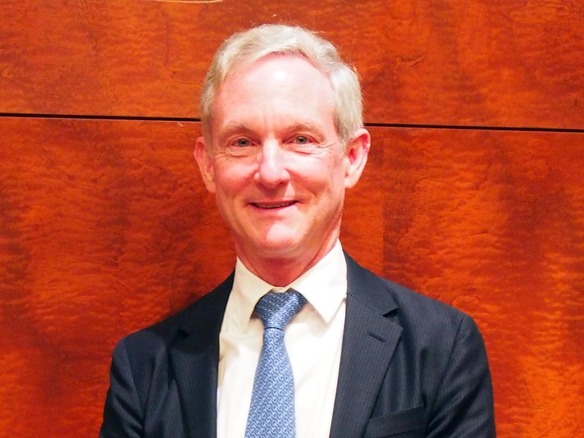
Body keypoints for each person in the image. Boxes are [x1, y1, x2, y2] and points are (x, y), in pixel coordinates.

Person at [100, 24, 496, 437]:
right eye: (242, 142)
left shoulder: (441, 349)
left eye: (300, 139)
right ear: (208, 165)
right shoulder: (144, 368)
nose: (270, 172)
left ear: (352, 157)